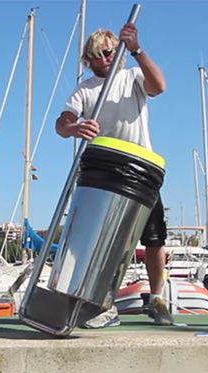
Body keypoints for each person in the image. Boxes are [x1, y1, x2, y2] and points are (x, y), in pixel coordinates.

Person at [55, 23, 174, 327]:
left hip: (139, 166)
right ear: (89, 58)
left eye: (110, 52)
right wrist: (73, 129)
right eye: (98, 54)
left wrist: (136, 50)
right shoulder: (84, 90)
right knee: (106, 241)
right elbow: (63, 122)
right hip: (105, 172)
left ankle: (157, 298)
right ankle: (103, 302)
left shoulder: (133, 76)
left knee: (154, 238)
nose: (105, 57)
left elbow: (159, 86)